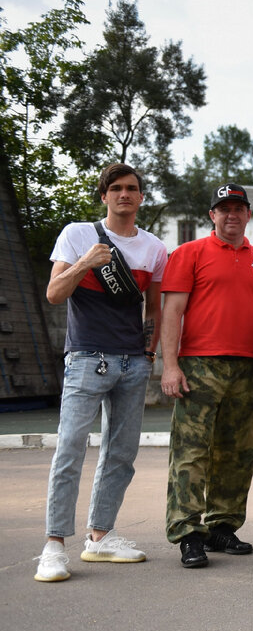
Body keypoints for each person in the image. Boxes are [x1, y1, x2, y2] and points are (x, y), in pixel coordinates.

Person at [36, 163, 167, 582]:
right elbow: (55, 294)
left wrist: (149, 350)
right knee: (70, 450)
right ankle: (54, 545)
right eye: (116, 189)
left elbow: (155, 305)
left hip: (132, 362)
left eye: (131, 189)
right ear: (104, 195)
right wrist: (86, 263)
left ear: (141, 197)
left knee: (121, 455)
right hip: (86, 359)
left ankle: (100, 537)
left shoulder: (154, 248)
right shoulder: (77, 234)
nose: (124, 194)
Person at [161, 184, 253, 569]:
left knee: (237, 452)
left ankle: (222, 526)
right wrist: (169, 365)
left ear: (247, 215)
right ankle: (188, 533)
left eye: (238, 209)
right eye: (224, 209)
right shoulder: (189, 253)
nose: (231, 215)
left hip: (246, 367)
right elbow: (171, 312)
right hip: (199, 365)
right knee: (191, 452)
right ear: (212, 215)